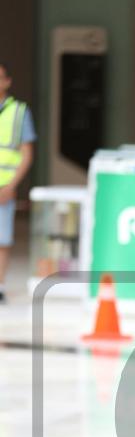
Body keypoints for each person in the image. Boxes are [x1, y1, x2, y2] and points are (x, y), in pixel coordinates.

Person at [0, 62, 37, 303]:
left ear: (7, 81)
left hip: (4, 188)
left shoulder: (19, 112)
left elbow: (26, 154)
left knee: (2, 239)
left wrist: (11, 186)